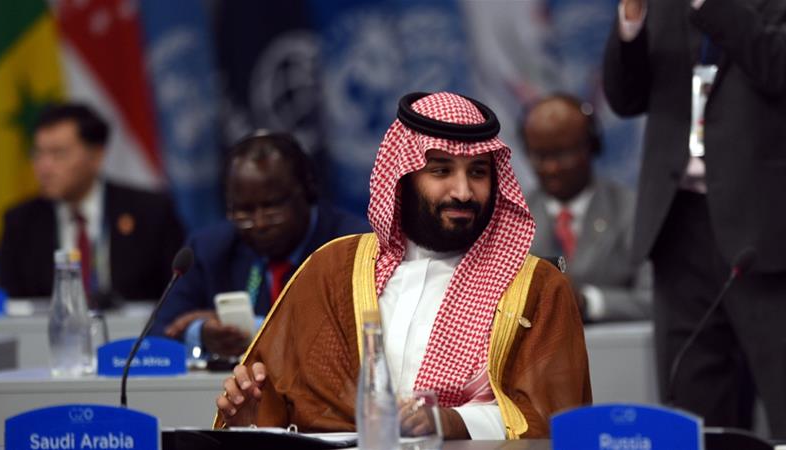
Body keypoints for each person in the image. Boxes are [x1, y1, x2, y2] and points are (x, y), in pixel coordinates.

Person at [213, 92, 591, 439]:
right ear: (403, 176)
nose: (463, 192)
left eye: (478, 172)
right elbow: (285, 400)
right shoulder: (332, 269)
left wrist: (446, 422)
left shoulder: (536, 287)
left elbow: (556, 417)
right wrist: (252, 421)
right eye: (441, 171)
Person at [603, 0, 786, 436]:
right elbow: (625, 98)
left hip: (766, 227)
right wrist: (632, 19)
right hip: (678, 223)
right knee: (694, 408)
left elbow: (776, 68)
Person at [151, 132, 369, 358]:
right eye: (244, 211)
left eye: (272, 207)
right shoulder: (210, 248)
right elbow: (156, 337)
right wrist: (200, 333)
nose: (260, 223)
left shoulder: (352, 247)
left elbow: (363, 333)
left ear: (308, 193)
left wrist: (258, 330)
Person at [0, 102, 184, 304]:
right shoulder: (20, 222)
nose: (44, 167)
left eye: (58, 153)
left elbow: (178, 296)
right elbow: (12, 307)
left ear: (96, 156)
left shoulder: (151, 211)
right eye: (38, 153)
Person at [520, 93, 651, 322]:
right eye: (540, 156)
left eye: (562, 153)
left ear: (592, 147)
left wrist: (588, 302)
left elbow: (656, 300)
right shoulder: (510, 219)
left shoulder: (633, 211)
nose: (551, 168)